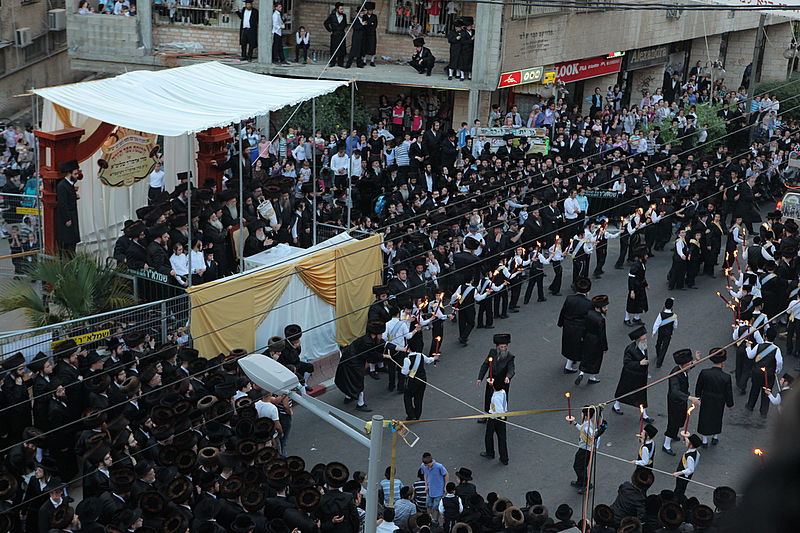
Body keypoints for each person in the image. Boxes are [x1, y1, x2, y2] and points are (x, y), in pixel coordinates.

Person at [334, 320, 386, 411]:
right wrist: (384, 356)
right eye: (381, 334)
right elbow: (372, 356)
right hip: (353, 362)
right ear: (376, 334)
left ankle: (348, 396)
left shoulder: (367, 338)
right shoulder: (368, 342)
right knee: (358, 381)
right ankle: (360, 404)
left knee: (348, 378)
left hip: (348, 358)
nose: (381, 336)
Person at [662, 349, 700, 456]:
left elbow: (690, 366)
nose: (690, 365)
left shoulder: (683, 369)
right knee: (673, 422)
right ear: (682, 365)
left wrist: (696, 361)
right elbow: (675, 391)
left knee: (680, 419)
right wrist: (690, 398)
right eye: (688, 364)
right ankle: (666, 444)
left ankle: (673, 434)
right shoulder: (675, 375)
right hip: (675, 402)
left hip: (681, 400)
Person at [695, 348, 734, 447]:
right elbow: (728, 392)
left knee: (705, 418)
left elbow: (699, 387)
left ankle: (704, 440)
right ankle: (715, 437)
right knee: (717, 418)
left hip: (707, 399)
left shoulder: (704, 373)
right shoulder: (726, 377)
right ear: (722, 363)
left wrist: (697, 397)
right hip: (719, 400)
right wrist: (730, 404)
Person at [612, 326, 652, 420]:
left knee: (641, 395)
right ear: (638, 340)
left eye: (645, 338)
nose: (645, 340)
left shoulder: (643, 347)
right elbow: (626, 363)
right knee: (624, 391)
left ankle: (644, 414)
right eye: (643, 339)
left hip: (640, 376)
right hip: (630, 376)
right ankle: (616, 405)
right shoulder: (630, 349)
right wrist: (639, 363)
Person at [566, 406, 606, 494]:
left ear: (585, 415)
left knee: (579, 467)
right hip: (583, 448)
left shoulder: (587, 427)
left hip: (586, 450)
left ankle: (586, 484)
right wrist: (575, 423)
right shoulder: (587, 423)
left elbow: (592, 436)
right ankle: (580, 482)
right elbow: (583, 430)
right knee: (579, 466)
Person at [744, 327, 782, 417]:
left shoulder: (758, 346)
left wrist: (748, 347)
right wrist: (777, 370)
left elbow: (750, 356)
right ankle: (763, 411)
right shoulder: (776, 349)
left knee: (754, 389)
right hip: (769, 374)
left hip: (757, 372)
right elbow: (779, 362)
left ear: (765, 336)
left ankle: (750, 405)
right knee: (766, 392)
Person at [557, 277, 592, 374]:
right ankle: (575, 368)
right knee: (578, 347)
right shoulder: (589, 303)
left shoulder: (569, 299)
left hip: (568, 325)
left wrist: (560, 323)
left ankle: (569, 365)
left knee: (570, 345)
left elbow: (563, 311)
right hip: (580, 328)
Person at [476, 334, 515, 417]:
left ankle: (501, 415)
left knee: (501, 399)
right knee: (488, 398)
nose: (503, 349)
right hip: (492, 380)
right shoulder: (492, 353)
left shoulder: (510, 357)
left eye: (505, 347)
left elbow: (511, 369)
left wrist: (508, 377)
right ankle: (487, 414)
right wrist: (480, 378)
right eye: (501, 347)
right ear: (497, 347)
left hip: (503, 381)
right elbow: (485, 365)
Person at [576, 294, 609, 385]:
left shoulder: (589, 313)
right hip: (596, 341)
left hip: (588, 338)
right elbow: (602, 335)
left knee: (586, 356)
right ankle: (592, 377)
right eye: (605, 306)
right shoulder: (600, 319)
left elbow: (584, 327)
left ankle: (581, 372)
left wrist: (583, 337)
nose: (606, 308)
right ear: (599, 308)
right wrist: (605, 347)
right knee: (596, 360)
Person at [400, 349, 438, 420]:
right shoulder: (420, 355)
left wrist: (403, 368)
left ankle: (411, 414)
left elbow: (404, 372)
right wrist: (435, 358)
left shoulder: (407, 359)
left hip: (412, 381)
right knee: (419, 398)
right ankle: (417, 415)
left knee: (407, 397)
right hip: (422, 380)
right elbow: (428, 360)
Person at [55, 159, 81, 255]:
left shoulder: (69, 185)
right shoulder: (62, 186)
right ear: (69, 173)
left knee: (72, 245)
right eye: (75, 174)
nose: (77, 176)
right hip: (68, 218)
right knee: (67, 247)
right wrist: (67, 218)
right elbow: (63, 203)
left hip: (71, 216)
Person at [481, 379, 509, 465]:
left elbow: (499, 410)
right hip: (502, 418)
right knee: (502, 438)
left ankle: (490, 453)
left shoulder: (495, 397)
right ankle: (504, 458)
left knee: (489, 435)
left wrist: (494, 416)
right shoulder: (503, 392)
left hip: (494, 418)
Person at [420, 452, 448, 524]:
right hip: (430, 490)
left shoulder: (439, 466)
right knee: (428, 505)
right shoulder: (423, 466)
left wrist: (445, 486)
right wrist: (426, 485)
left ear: (431, 461)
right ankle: (429, 518)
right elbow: (425, 475)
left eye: (428, 465)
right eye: (425, 465)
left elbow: (446, 474)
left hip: (439, 491)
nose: (427, 467)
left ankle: (435, 520)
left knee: (436, 507)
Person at [624, 246, 649, 326]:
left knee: (640, 303)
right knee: (631, 303)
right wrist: (631, 291)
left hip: (640, 287)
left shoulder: (642, 264)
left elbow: (642, 276)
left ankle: (636, 318)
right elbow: (631, 279)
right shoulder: (635, 265)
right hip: (635, 287)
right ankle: (626, 319)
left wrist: (646, 284)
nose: (647, 256)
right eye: (645, 255)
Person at [672, 434, 702, 499]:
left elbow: (691, 470)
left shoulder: (689, 457)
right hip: (686, 476)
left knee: (679, 489)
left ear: (691, 445)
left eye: (687, 441)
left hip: (683, 476)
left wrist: (678, 473)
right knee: (680, 489)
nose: (686, 442)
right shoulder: (696, 453)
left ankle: (677, 500)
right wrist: (685, 437)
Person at [652, 298, 678, 368]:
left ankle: (658, 354)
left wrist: (654, 332)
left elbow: (657, 323)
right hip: (668, 333)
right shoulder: (674, 316)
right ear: (672, 307)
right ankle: (659, 363)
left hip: (661, 332)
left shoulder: (661, 314)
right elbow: (675, 325)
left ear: (664, 305)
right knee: (664, 347)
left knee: (658, 344)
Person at [324, 3, 348, 68]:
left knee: (342, 49)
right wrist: (330, 30)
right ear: (337, 9)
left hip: (342, 34)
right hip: (335, 35)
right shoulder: (332, 16)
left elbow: (345, 24)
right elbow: (325, 23)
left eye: (343, 9)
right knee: (333, 48)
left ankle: (340, 63)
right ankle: (332, 62)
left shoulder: (344, 16)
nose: (342, 10)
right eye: (341, 9)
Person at [362, 2, 378, 66]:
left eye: (371, 10)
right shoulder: (364, 16)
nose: (370, 11)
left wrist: (369, 24)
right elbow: (364, 25)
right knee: (365, 47)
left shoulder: (374, 16)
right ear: (367, 10)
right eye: (369, 10)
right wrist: (370, 24)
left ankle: (372, 61)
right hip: (365, 34)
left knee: (372, 47)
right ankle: (364, 60)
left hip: (372, 34)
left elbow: (375, 25)